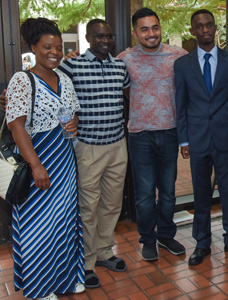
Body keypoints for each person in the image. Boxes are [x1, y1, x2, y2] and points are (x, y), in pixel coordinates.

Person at [5, 18, 84, 300]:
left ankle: (64, 280)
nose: (55, 52)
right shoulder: (22, 80)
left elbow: (70, 113)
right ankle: (39, 289)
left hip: (63, 159)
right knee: (37, 227)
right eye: (48, 47)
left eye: (59, 48)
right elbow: (16, 125)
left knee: (63, 223)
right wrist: (38, 165)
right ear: (34, 48)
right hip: (37, 161)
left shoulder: (63, 78)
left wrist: (73, 122)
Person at [57, 19, 130, 288]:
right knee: (88, 207)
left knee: (111, 204)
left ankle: (104, 252)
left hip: (117, 145)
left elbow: (128, 94)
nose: (105, 41)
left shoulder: (120, 66)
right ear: (88, 38)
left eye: (109, 36)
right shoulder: (71, 65)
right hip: (88, 147)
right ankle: (86, 262)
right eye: (99, 36)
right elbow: (46, 82)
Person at [174, 9, 228, 266]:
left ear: (216, 28)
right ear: (192, 30)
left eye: (209, 25)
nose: (205, 30)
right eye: (200, 26)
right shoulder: (182, 65)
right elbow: (180, 104)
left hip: (226, 137)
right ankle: (202, 242)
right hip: (196, 139)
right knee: (201, 191)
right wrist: (183, 140)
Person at [117, 7, 187, 261]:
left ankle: (166, 235)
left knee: (168, 192)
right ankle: (147, 239)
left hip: (170, 133)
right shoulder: (125, 58)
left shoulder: (177, 55)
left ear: (160, 28)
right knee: (145, 194)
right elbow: (122, 88)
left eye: (155, 28)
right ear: (135, 32)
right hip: (140, 135)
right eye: (144, 29)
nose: (151, 33)